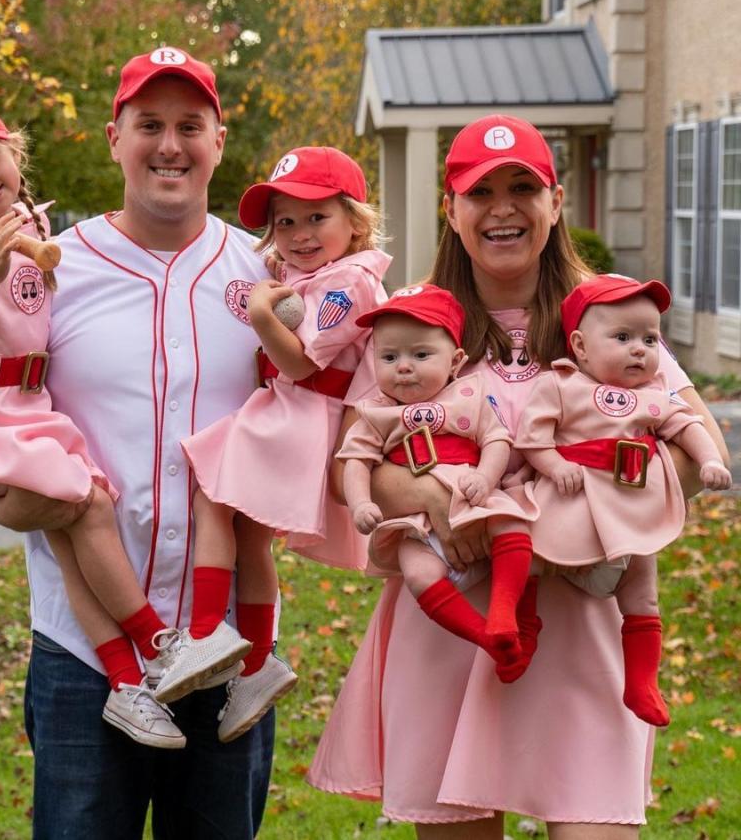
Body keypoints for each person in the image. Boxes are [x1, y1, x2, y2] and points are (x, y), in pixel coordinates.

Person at [308, 114, 730, 837]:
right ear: (451, 209)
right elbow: (354, 460)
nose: (502, 207)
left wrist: (579, 502)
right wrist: (438, 502)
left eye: (522, 187)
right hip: (459, 624)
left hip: (583, 619)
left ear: (556, 202)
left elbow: (697, 452)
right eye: (481, 191)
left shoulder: (613, 314)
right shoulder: (410, 319)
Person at [0, 47, 276, 838]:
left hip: (223, 648)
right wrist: (1, 494)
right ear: (114, 138)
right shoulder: (51, 269)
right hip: (84, 651)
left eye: (188, 125)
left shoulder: (267, 278)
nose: (169, 145)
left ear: (217, 138)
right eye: (149, 125)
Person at [0, 91, 203, 751]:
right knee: (88, 505)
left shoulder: (28, 220)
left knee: (74, 519)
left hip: (25, 409)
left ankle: (127, 679)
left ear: (14, 150)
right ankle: (156, 643)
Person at [163, 146, 389, 740]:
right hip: (293, 414)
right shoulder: (312, 275)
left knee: (210, 493)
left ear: (355, 222)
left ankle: (207, 631)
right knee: (250, 535)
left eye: (317, 217)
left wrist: (263, 314)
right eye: (284, 222)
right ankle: (258, 666)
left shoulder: (350, 284)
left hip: (301, 413)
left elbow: (300, 364)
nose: (298, 234)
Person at [517, 274, 731, 725]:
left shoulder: (652, 396)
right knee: (529, 560)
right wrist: (555, 466)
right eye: (622, 337)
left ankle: (642, 680)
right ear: (579, 344)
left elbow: (688, 426)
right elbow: (531, 439)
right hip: (571, 501)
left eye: (650, 339)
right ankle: (521, 628)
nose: (640, 349)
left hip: (631, 507)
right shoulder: (561, 384)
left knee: (643, 590)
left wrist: (709, 459)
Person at [337, 285, 538, 675]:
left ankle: (504, 615)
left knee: (514, 528)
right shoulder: (377, 413)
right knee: (417, 573)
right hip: (416, 522)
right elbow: (354, 462)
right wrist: (362, 502)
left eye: (421, 355)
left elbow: (496, 439)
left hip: (472, 494)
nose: (404, 366)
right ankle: (484, 636)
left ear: (456, 361)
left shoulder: (467, 396)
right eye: (390, 357)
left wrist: (485, 475)